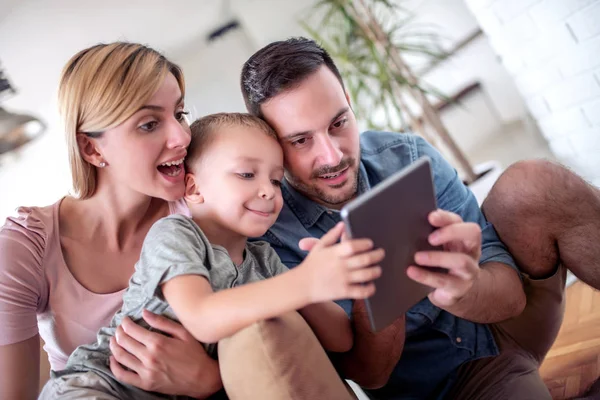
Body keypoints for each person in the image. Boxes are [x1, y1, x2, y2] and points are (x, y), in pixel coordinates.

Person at [240, 36, 600, 399]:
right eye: (301, 141)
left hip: (500, 322)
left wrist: (463, 288)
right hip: (453, 387)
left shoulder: (406, 156)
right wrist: (382, 290)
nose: (332, 156)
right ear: (271, 145)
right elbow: (371, 375)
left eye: (338, 123)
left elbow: (511, 300)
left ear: (349, 103)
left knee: (535, 181)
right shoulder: (269, 239)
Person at [0, 42, 360, 400]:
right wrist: (307, 283)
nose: (181, 136)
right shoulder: (176, 232)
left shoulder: (216, 214)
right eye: (150, 123)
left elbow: (331, 338)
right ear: (92, 149)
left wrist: (209, 379)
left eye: (180, 114)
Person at [38, 112, 385, 399]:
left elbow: (341, 339)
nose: (267, 190)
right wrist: (304, 283)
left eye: (277, 180)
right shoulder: (176, 235)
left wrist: (331, 277)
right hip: (97, 386)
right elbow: (201, 316)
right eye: (247, 174)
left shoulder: (263, 260)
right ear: (193, 188)